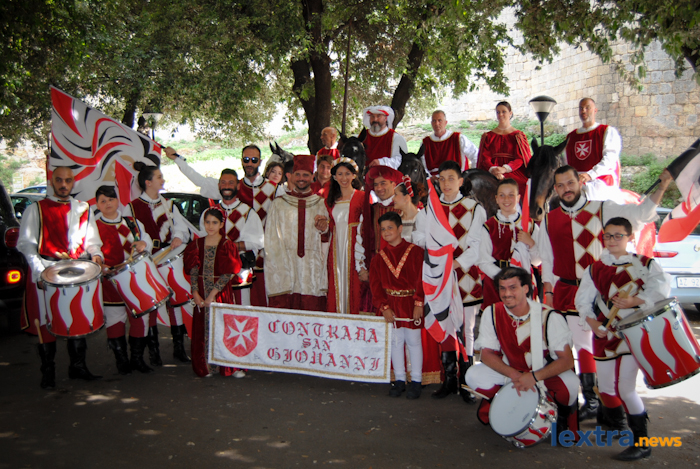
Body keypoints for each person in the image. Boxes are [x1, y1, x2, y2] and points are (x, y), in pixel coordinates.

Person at [538, 165, 673, 421]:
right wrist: (548, 291)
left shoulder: (603, 208)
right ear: (555, 189)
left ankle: (604, 404)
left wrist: (662, 186)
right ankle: (593, 401)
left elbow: (641, 215)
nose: (566, 189)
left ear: (580, 182)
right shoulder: (549, 219)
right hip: (566, 291)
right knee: (578, 346)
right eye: (561, 185)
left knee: (602, 348)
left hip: (602, 291)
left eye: (570, 183)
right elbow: (547, 257)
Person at [575, 217, 670, 461]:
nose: (612, 240)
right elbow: (582, 301)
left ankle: (642, 442)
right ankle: (618, 426)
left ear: (630, 237)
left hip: (633, 335)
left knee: (626, 389)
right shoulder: (595, 269)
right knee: (607, 388)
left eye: (619, 235)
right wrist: (593, 323)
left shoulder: (645, 265)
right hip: (604, 335)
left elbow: (661, 290)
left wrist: (634, 301)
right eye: (608, 235)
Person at [465, 267, 580, 438]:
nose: (507, 294)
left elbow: (567, 360)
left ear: (526, 288)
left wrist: (534, 377)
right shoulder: (493, 312)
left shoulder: (549, 316)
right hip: (512, 372)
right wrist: (513, 374)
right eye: (502, 288)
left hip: (543, 373)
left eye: (513, 288)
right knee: (473, 375)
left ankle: (559, 416)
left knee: (571, 384)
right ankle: (509, 404)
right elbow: (486, 354)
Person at [17, 166, 104, 389]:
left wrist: (96, 255)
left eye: (68, 180)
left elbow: (92, 241)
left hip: (76, 271)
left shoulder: (83, 208)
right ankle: (48, 371)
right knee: (46, 320)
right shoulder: (35, 209)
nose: (64, 185)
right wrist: (39, 272)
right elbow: (26, 245)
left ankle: (78, 367)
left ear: (73, 182)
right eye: (59, 180)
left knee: (76, 315)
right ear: (52, 181)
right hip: (46, 270)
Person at [166, 145, 274, 307]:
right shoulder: (220, 200)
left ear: (260, 161)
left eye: (254, 160)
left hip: (253, 265)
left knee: (250, 309)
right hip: (220, 272)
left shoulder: (271, 191)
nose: (250, 163)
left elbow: (260, 239)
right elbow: (199, 179)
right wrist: (177, 159)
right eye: (246, 159)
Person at [123, 162, 190, 364]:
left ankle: (179, 348)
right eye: (159, 177)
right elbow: (129, 236)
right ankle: (154, 353)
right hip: (147, 262)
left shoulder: (169, 204)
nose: (163, 180)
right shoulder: (131, 207)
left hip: (168, 257)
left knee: (177, 302)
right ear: (148, 182)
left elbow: (181, 227)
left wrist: (178, 236)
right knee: (151, 305)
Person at [433, 160, 486, 402]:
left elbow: (476, 247)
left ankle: (467, 382)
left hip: (466, 278)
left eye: (451, 178)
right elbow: (423, 237)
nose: (446, 183)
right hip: (439, 278)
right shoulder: (432, 208)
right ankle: (449, 379)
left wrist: (454, 264)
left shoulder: (474, 208)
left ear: (461, 181)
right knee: (445, 327)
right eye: (442, 179)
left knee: (466, 330)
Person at [94, 185, 155, 374]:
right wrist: (100, 266)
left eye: (111, 199)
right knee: (115, 320)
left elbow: (147, 241)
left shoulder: (132, 222)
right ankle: (122, 361)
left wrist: (144, 243)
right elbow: (90, 251)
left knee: (141, 319)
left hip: (136, 280)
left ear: (117, 200)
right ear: (97, 204)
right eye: (103, 201)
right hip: (111, 282)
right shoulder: (94, 227)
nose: (108, 204)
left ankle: (137, 359)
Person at [370, 212, 425, 399]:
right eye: (383, 229)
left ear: (400, 228)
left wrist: (419, 302)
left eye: (390, 228)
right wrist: (384, 307)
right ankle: (400, 379)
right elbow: (375, 287)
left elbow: (421, 279)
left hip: (410, 303)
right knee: (395, 341)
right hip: (391, 304)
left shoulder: (416, 252)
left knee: (413, 341)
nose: (386, 232)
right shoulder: (378, 258)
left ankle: (416, 380)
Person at [265, 155, 330, 311]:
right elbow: (270, 240)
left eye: (306, 175)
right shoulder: (278, 205)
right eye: (298, 174)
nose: (301, 178)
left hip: (312, 269)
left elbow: (328, 239)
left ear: (313, 177)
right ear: (291, 176)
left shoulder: (321, 204)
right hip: (286, 267)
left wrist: (325, 229)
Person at [185, 208, 242, 378]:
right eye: (207, 222)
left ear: (222, 224)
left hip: (221, 293)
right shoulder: (196, 245)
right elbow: (193, 271)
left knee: (224, 327)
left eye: (214, 223)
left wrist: (212, 295)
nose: (210, 226)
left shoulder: (227, 245)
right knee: (203, 329)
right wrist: (195, 292)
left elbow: (228, 273)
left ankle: (230, 366)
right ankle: (206, 366)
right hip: (201, 292)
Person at [478, 178, 539, 311]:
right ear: (496, 199)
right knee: (498, 320)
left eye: (511, 195)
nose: (506, 199)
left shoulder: (530, 225)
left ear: (518, 198)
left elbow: (537, 261)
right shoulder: (488, 226)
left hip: (523, 283)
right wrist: (505, 279)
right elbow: (483, 261)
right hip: (495, 284)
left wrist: (531, 243)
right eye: (502, 195)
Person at [358, 166, 404, 312]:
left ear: (393, 184)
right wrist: (362, 267)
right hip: (375, 271)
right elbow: (360, 239)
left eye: (383, 183)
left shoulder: (405, 209)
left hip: (401, 272)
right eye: (376, 184)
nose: (379, 188)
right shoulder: (371, 210)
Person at [325, 157, 364, 315]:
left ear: (354, 175)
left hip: (355, 245)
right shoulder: (330, 200)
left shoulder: (361, 197)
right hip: (336, 247)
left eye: (347, 173)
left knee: (354, 283)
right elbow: (330, 226)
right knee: (337, 282)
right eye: (340, 174)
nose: (344, 178)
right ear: (334, 177)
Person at [564, 98, 622, 197]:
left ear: (595, 110)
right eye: (581, 108)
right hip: (576, 182)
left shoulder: (606, 131)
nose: (583, 111)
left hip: (600, 180)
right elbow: (566, 163)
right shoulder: (571, 137)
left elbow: (610, 158)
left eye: (587, 108)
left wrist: (591, 174)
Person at [477, 101, 532, 197]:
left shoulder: (518, 135)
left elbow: (520, 159)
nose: (500, 114)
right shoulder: (488, 136)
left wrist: (504, 169)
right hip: (492, 171)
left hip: (513, 170)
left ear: (510, 113)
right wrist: (493, 170)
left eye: (504, 112)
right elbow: (485, 158)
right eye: (498, 112)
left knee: (520, 185)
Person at [421, 110, 478, 177]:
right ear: (431, 123)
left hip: (457, 179)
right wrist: (430, 177)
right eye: (434, 121)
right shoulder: (425, 143)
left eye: (440, 120)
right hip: (434, 180)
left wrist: (471, 175)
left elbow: (475, 155)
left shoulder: (458, 138)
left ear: (445, 123)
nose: (437, 124)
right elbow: (423, 166)